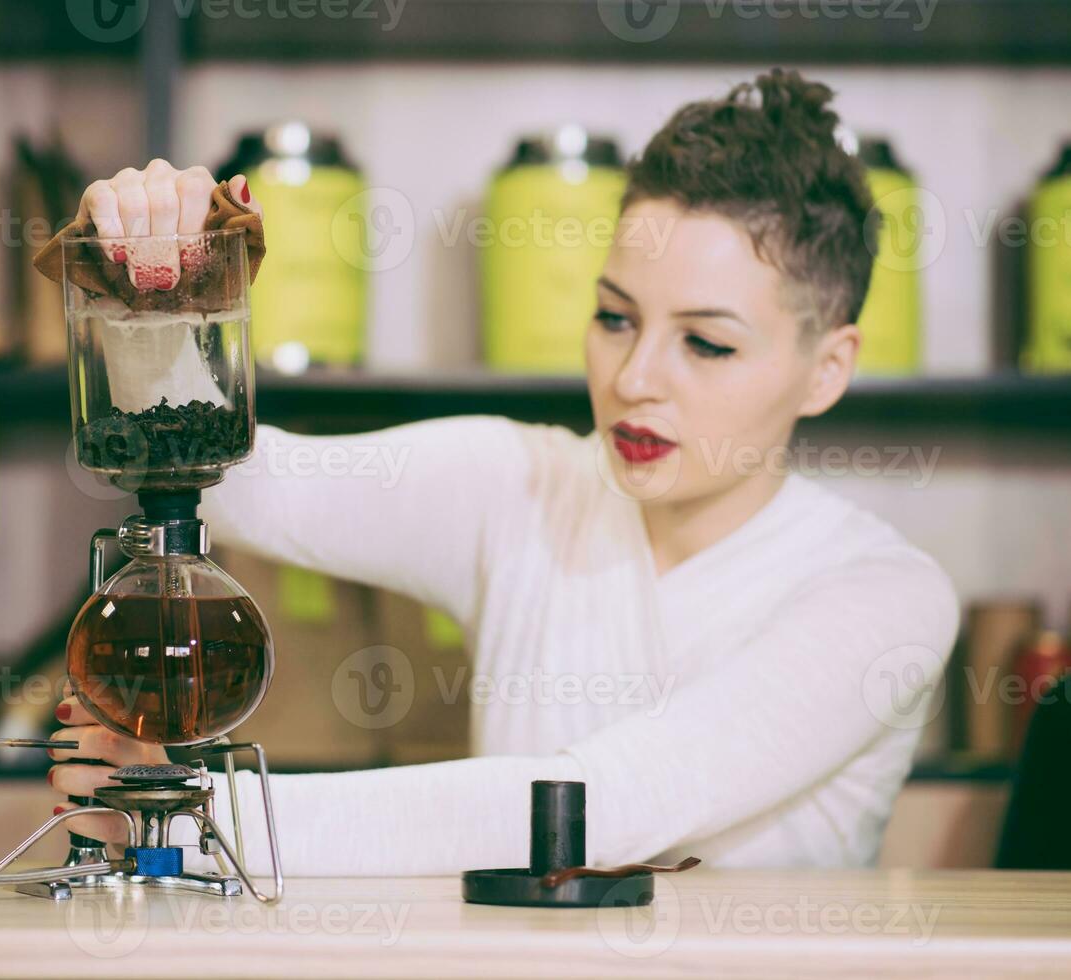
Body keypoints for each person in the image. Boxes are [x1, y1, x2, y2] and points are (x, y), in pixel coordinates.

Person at [47, 68, 958, 876]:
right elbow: (235, 477)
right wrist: (150, 287)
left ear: (828, 367)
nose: (635, 379)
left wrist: (187, 815)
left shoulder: (887, 597)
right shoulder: (522, 485)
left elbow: (605, 809)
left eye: (708, 344)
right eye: (614, 318)